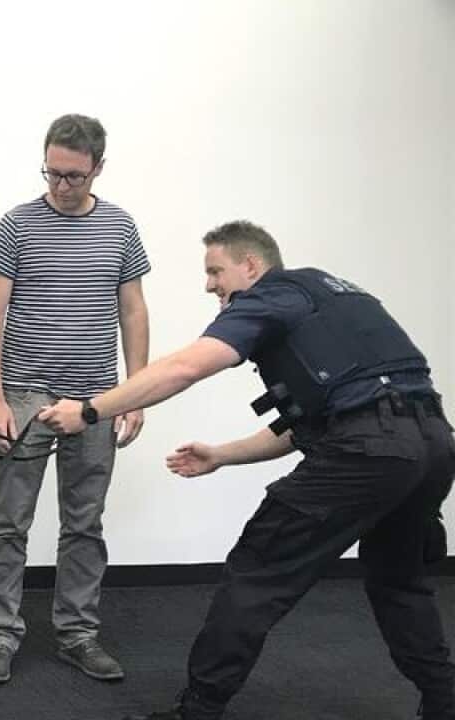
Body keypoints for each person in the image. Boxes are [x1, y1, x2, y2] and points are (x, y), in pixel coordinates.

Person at [38, 220, 455, 720]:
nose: (209, 285)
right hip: (432, 444)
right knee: (398, 581)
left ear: (251, 266)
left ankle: (198, 711)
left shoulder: (270, 296)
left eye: (216, 271)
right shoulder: (334, 295)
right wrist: (222, 454)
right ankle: (445, 699)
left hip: (372, 452)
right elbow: (339, 421)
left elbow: (185, 367)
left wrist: (89, 410)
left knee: (255, 573)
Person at [0, 114, 151, 685]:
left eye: (74, 175)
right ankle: (0, 632)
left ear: (98, 168)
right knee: (9, 521)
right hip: (24, 394)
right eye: (52, 172)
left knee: (84, 523)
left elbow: (133, 311)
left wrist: (134, 395)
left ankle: (77, 634)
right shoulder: (16, 224)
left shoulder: (120, 227)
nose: (61, 184)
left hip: (96, 397)